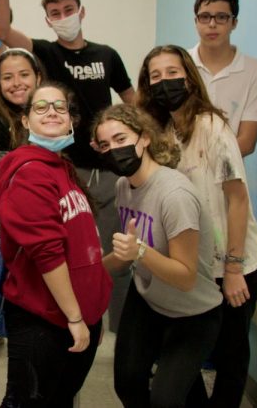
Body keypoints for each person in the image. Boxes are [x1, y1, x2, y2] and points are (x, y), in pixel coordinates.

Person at [0, 0, 135, 332]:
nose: (62, 17)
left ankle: (119, 334)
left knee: (116, 256)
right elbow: (5, 32)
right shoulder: (46, 52)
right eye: (54, 13)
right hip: (66, 171)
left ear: (81, 12)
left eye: (68, 9)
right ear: (47, 20)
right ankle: (74, 318)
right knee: (70, 256)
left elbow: (133, 104)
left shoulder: (107, 55)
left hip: (107, 172)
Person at [137, 44, 257, 406]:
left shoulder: (213, 126)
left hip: (233, 262)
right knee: (183, 352)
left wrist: (235, 269)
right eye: (156, 76)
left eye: (173, 73)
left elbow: (237, 199)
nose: (165, 82)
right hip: (193, 263)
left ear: (189, 77)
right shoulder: (158, 131)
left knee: (230, 354)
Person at [93, 103, 223, 408]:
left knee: (166, 400)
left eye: (121, 139)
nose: (114, 149)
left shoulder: (174, 195)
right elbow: (126, 255)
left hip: (192, 313)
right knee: (127, 383)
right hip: (149, 301)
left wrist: (140, 251)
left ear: (145, 138)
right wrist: (89, 273)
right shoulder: (124, 186)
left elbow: (185, 276)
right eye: (105, 144)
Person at [0, 81, 111, 408]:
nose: (52, 112)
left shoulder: (62, 168)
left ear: (71, 120)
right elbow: (48, 254)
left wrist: (92, 313)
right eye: (41, 106)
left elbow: (86, 245)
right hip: (44, 321)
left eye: (60, 106)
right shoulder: (29, 171)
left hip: (77, 317)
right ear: (25, 121)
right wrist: (76, 317)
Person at [188, 0, 257, 156]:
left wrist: (201, 160)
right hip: (178, 173)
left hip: (229, 176)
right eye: (204, 17)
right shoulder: (180, 65)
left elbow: (247, 142)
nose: (212, 24)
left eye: (221, 17)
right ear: (196, 22)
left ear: (234, 23)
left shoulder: (254, 71)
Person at [0, 48, 44, 154]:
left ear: (38, 78)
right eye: (8, 78)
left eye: (24, 75)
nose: (16, 83)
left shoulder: (53, 112)